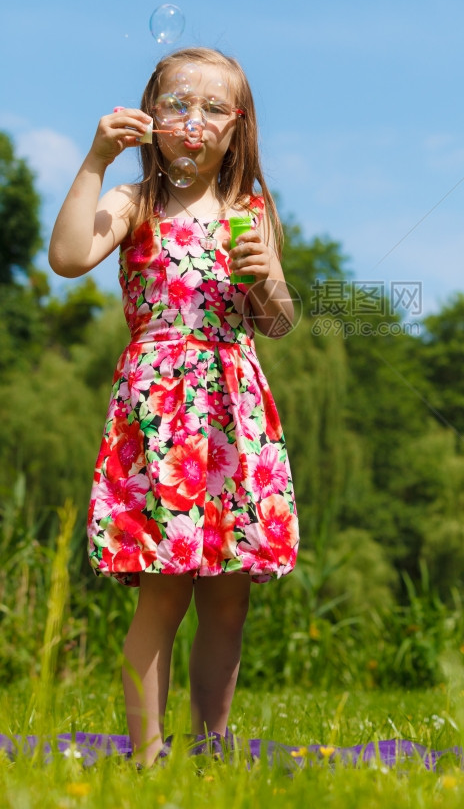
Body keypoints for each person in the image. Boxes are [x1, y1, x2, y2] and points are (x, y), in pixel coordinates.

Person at [49, 47, 299, 766]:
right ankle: (149, 754)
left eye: (213, 107)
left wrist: (265, 282)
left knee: (228, 596)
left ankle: (212, 745)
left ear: (238, 127)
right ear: (149, 119)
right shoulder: (136, 203)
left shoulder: (254, 210)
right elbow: (67, 257)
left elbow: (277, 322)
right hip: (161, 412)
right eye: (177, 104)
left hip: (232, 408)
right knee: (164, 593)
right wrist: (96, 160)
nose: (194, 120)